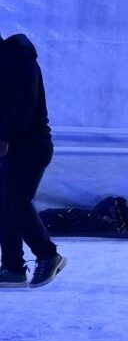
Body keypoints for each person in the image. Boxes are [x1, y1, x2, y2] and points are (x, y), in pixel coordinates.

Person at [0, 32, 67, 289]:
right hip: (12, 146)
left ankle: (48, 254)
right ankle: (13, 266)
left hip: (30, 145)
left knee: (16, 200)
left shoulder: (19, 57)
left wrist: (4, 135)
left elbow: (25, 101)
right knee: (5, 203)